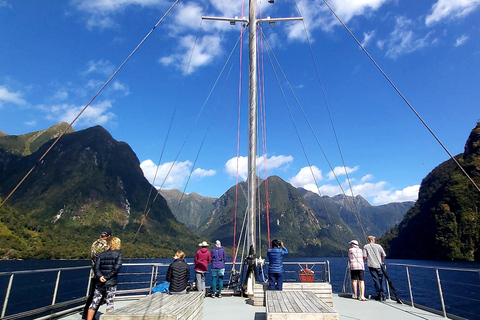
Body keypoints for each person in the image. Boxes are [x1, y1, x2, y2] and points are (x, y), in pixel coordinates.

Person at [87, 237, 123, 320]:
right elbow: (116, 268)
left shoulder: (102, 254)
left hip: (100, 282)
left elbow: (96, 267)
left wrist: (100, 276)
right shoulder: (118, 254)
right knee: (109, 303)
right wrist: (107, 277)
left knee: (94, 302)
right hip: (111, 282)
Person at [82, 227, 111, 319]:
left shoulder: (94, 244)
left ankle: (85, 314)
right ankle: (91, 316)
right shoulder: (106, 247)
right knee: (100, 296)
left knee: (93, 294)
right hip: (102, 274)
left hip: (93, 273)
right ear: (108, 236)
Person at [363, 235, 387, 301]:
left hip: (371, 265)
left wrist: (368, 260)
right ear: (373, 240)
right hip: (379, 265)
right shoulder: (379, 246)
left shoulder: (366, 246)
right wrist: (381, 261)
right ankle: (384, 295)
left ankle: (379, 295)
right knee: (382, 280)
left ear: (369, 240)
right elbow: (384, 255)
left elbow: (364, 256)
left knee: (375, 280)